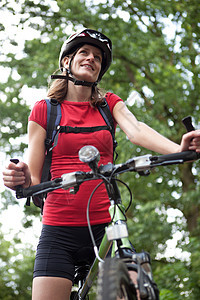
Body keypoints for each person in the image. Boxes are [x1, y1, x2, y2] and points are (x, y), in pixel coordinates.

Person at [2, 28, 200, 300]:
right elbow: (34, 178)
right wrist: (21, 179)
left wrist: (179, 149)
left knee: (136, 291)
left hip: (107, 226)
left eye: (97, 56)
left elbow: (137, 129)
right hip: (58, 230)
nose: (91, 58)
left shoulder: (109, 104)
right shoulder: (45, 110)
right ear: (66, 62)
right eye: (84, 52)